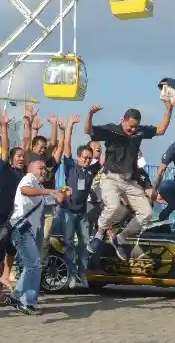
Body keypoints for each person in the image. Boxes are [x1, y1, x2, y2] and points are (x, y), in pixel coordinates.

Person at [84, 100, 173, 261]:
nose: (132, 130)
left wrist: (169, 108)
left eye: (135, 127)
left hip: (129, 181)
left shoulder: (139, 132)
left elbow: (161, 129)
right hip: (111, 177)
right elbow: (88, 130)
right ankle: (97, 236)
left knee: (146, 213)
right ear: (122, 120)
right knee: (112, 206)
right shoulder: (112, 130)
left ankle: (120, 238)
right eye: (130, 126)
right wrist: (90, 115)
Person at [6, 159, 69, 315]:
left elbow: (56, 200)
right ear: (31, 168)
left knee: (31, 265)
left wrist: (63, 194)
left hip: (30, 231)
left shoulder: (39, 186)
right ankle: (26, 301)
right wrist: (49, 191)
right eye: (40, 168)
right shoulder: (28, 179)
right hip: (21, 229)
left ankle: (16, 296)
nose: (43, 171)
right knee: (34, 264)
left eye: (44, 168)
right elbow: (25, 190)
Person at [0, 110, 25, 301]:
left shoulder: (25, 175)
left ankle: (5, 279)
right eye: (17, 155)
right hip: (2, 217)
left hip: (17, 219)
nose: (21, 158)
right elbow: (6, 148)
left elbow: (27, 144)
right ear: (11, 158)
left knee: (12, 251)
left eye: (22, 156)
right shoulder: (5, 169)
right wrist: (4, 126)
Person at [58, 114, 101, 289]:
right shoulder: (71, 166)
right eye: (84, 157)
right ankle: (71, 273)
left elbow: (102, 158)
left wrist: (97, 145)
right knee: (68, 243)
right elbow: (66, 145)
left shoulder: (92, 169)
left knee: (84, 243)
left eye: (89, 157)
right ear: (78, 156)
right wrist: (69, 126)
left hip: (82, 212)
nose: (86, 159)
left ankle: (82, 273)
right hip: (68, 210)